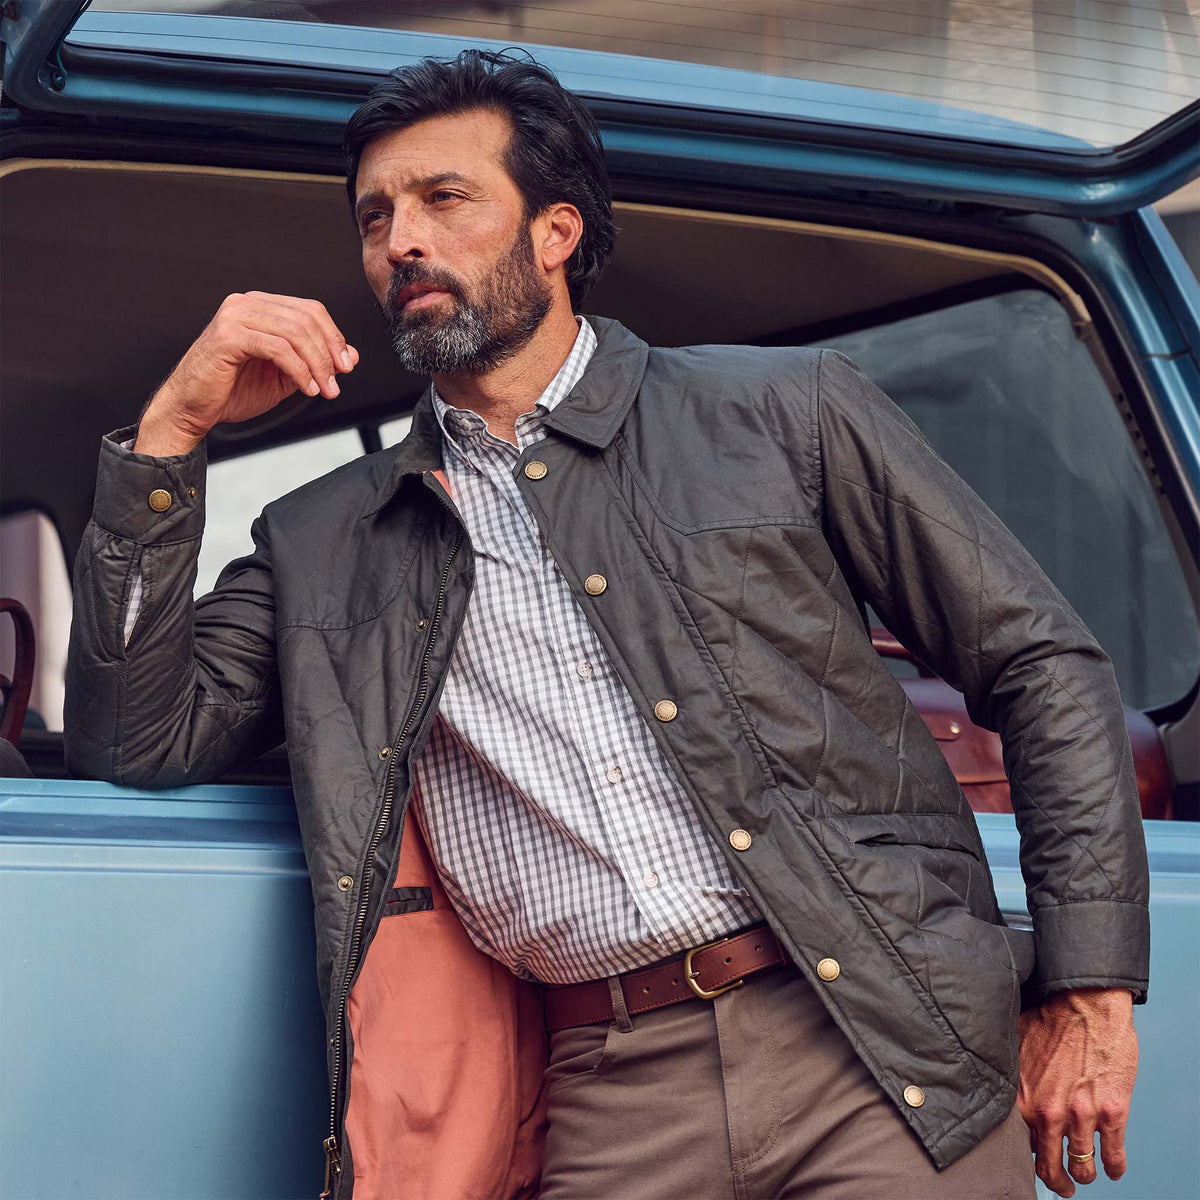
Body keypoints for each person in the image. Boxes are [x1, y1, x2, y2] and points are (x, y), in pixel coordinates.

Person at [65, 49, 1148, 1200]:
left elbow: (1041, 661)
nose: (401, 241)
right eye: (375, 217)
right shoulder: (327, 537)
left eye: (443, 198)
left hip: (881, 1053)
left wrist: (1089, 991)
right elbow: (136, 737)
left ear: (555, 232)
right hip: (610, 1084)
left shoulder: (784, 412)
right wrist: (171, 436)